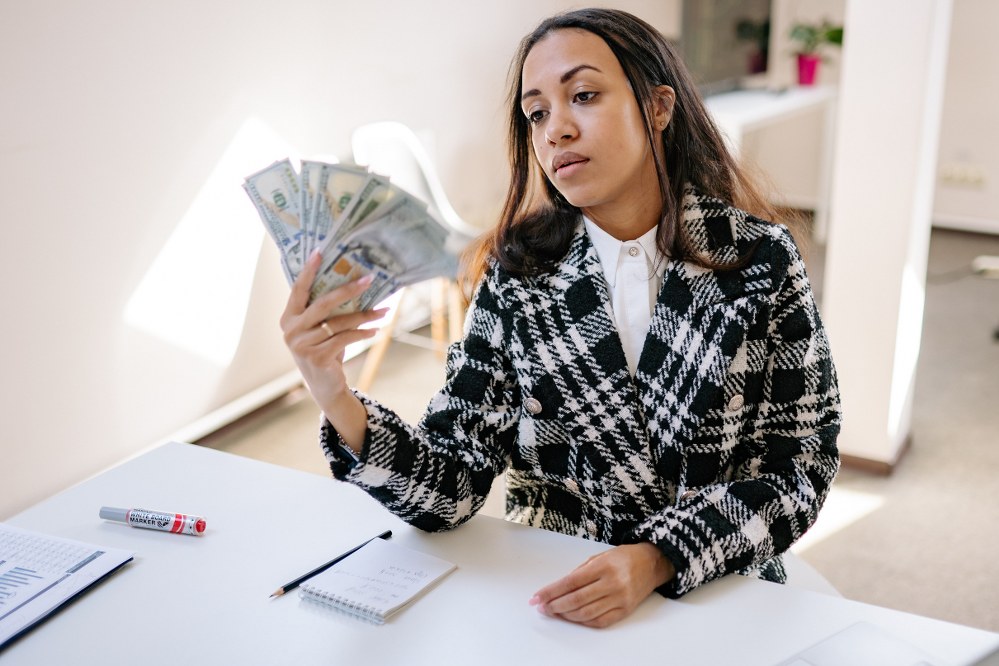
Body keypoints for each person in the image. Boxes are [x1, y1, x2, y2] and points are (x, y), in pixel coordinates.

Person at [280, 8, 841, 629]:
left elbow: (800, 467)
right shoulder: (519, 270)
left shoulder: (757, 259)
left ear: (658, 107)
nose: (556, 130)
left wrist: (658, 557)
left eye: (584, 95)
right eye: (537, 112)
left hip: (715, 590)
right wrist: (332, 390)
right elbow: (451, 485)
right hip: (561, 597)